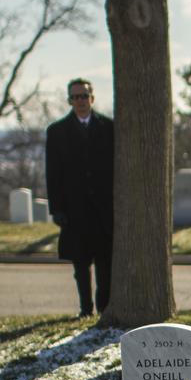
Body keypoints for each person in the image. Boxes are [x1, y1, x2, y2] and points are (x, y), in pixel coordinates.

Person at [45, 78, 114, 317]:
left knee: (105, 264)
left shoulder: (109, 127)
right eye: (75, 97)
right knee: (80, 264)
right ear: (69, 101)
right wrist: (57, 209)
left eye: (84, 96)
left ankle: (104, 307)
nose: (80, 101)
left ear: (92, 98)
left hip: (104, 210)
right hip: (75, 210)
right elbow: (52, 173)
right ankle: (86, 308)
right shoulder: (57, 132)